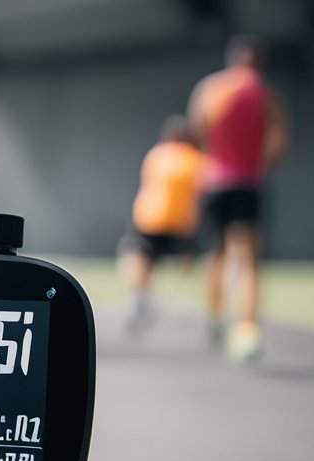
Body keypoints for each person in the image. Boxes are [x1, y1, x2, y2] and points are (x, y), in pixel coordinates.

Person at [188, 34, 290, 362]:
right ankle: (246, 330)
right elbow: (279, 146)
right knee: (246, 257)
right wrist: (257, 164)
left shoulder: (209, 89)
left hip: (214, 183)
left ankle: (215, 318)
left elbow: (199, 130)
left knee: (216, 252)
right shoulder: (268, 97)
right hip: (246, 184)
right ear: (260, 61)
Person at [117, 115, 205, 333]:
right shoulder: (195, 159)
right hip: (181, 225)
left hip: (150, 220)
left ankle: (142, 299)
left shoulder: (155, 155)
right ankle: (212, 314)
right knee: (183, 262)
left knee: (139, 258)